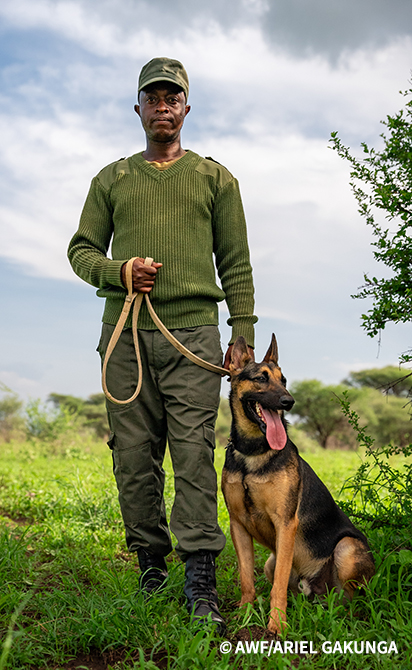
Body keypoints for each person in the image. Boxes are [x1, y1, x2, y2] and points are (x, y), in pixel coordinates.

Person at [68, 57, 256, 632]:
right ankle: (150, 562)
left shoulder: (216, 179)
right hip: (123, 333)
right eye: (153, 97)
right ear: (139, 109)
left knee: (194, 452)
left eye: (173, 97)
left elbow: (237, 261)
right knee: (132, 455)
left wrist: (242, 329)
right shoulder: (111, 179)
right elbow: (80, 251)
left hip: (194, 332)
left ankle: (200, 576)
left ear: (186, 108)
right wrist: (119, 270)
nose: (163, 106)